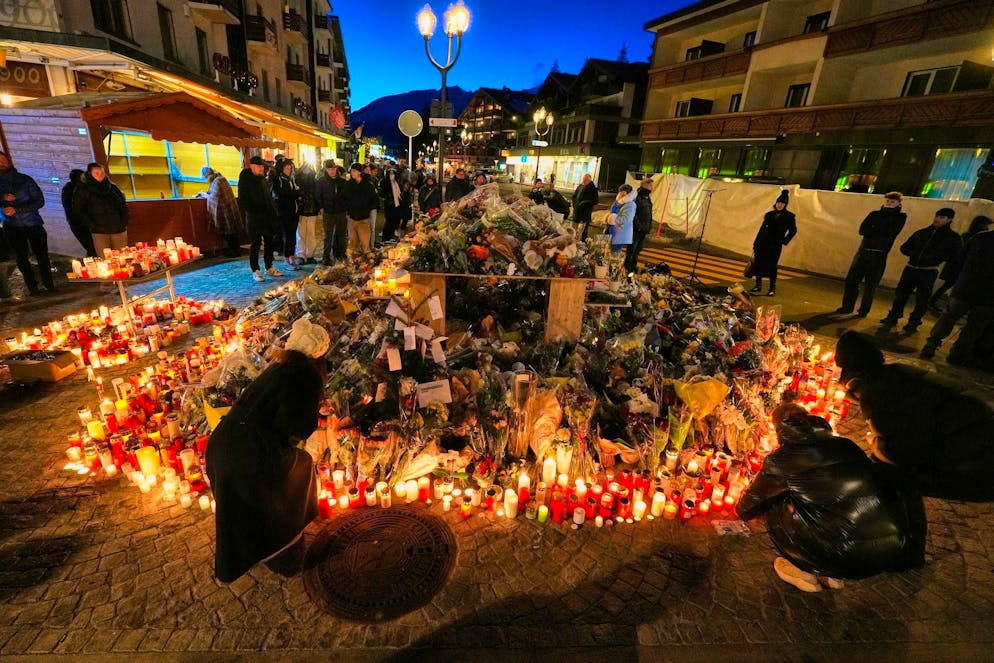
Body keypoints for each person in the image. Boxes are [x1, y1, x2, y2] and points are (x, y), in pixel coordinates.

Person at [737, 404, 926, 593]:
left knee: (774, 500)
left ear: (780, 430)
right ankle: (832, 575)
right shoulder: (846, 445)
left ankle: (802, 569)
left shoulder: (781, 460)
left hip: (839, 554)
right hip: (886, 551)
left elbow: (747, 507)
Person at [206, 317, 329, 582]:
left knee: (247, 497)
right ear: (318, 356)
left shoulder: (279, 367)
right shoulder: (306, 375)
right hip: (251, 451)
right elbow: (296, 425)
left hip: (223, 442)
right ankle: (284, 545)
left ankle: (262, 547)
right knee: (300, 467)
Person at [835, 330, 994, 501]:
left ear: (849, 374)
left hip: (977, 466)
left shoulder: (873, 394)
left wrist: (874, 442)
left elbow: (898, 453)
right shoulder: (892, 373)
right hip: (980, 432)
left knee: (881, 475)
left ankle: (891, 524)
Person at [919, 220, 994, 364]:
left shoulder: (980, 238)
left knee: (948, 318)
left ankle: (931, 345)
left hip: (965, 287)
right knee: (973, 327)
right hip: (988, 295)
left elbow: (959, 259)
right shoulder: (980, 238)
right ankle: (957, 354)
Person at [880, 208, 960, 333]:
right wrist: (913, 253)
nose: (937, 219)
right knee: (901, 295)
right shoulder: (922, 232)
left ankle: (913, 323)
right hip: (911, 268)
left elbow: (955, 255)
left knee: (922, 299)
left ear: (949, 220)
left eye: (942, 217)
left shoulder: (952, 237)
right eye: (937, 216)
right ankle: (893, 317)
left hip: (928, 270)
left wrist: (935, 258)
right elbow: (905, 247)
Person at [836, 191, 906, 317]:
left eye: (893, 202)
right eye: (888, 201)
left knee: (871, 285)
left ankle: (863, 310)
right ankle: (847, 306)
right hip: (863, 251)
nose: (889, 204)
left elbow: (892, 232)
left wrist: (874, 229)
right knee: (852, 280)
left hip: (879, 254)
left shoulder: (900, 217)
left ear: (898, 203)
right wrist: (878, 230)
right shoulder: (874, 214)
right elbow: (862, 230)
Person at [0, 151, 55, 294]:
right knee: (21, 258)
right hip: (12, 226)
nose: (2, 163)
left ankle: (49, 284)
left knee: (42, 254)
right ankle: (32, 286)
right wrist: (3, 198)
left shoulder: (25, 180)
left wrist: (17, 209)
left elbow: (39, 201)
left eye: (3, 160)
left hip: (33, 223)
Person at [928, 215, 992, 312]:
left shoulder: (970, 236)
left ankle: (934, 303)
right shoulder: (974, 237)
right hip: (959, 267)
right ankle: (936, 304)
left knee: (949, 286)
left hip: (958, 267)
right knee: (951, 288)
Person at [238, 156, 282, 282]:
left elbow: (267, 198)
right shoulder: (246, 179)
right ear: (252, 166)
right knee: (255, 244)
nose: (261, 169)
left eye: (262, 166)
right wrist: (253, 212)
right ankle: (255, 270)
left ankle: (269, 266)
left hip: (267, 217)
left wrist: (272, 213)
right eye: (259, 166)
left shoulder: (262, 180)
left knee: (269, 242)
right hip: (254, 218)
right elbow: (244, 199)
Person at [73, 162, 129, 257]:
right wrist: (92, 225)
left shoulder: (113, 188)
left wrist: (123, 222)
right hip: (99, 231)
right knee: (105, 258)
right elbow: (79, 210)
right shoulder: (83, 189)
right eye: (96, 173)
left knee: (122, 256)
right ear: (90, 174)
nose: (100, 175)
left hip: (118, 228)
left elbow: (123, 206)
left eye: (102, 173)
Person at [750, 189, 796, 297]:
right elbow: (762, 229)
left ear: (785, 205)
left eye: (782, 204)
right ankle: (758, 285)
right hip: (763, 243)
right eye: (778, 203)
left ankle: (772, 288)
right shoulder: (769, 215)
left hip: (775, 244)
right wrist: (756, 243)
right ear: (776, 203)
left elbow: (793, 230)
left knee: (772, 266)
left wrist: (785, 241)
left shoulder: (789, 216)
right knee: (758, 264)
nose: (780, 205)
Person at [202, 167, 243, 258]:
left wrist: (204, 195)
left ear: (208, 176)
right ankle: (236, 250)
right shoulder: (220, 179)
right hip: (230, 207)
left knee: (230, 233)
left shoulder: (218, 181)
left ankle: (235, 251)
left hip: (226, 210)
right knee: (233, 232)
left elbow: (214, 197)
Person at [342, 162, 379, 253]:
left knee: (365, 246)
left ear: (359, 172)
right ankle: (354, 264)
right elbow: (344, 198)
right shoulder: (348, 185)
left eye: (354, 171)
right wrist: (348, 209)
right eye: (351, 171)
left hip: (363, 219)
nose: (352, 173)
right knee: (353, 246)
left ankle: (365, 265)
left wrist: (367, 209)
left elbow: (374, 199)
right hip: (352, 219)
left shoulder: (367, 185)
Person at [270, 159, 300, 269]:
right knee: (287, 235)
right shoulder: (279, 180)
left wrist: (295, 194)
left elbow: (294, 193)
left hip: (294, 211)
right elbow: (282, 195)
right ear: (282, 169)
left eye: (290, 168)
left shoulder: (291, 179)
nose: (289, 170)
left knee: (292, 235)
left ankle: (292, 255)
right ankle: (287, 258)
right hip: (284, 212)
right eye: (287, 168)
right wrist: (295, 194)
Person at [315, 161, 347, 265]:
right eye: (330, 169)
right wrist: (322, 206)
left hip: (341, 212)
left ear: (336, 169)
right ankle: (326, 257)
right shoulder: (321, 181)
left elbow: (345, 196)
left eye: (333, 169)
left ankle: (341, 254)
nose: (332, 171)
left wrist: (344, 206)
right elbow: (318, 196)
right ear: (326, 170)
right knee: (328, 236)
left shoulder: (341, 181)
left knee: (341, 234)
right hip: (328, 212)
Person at [61, 168, 96, 257]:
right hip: (79, 224)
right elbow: (74, 208)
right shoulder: (70, 190)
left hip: (85, 222)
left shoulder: (81, 188)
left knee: (93, 247)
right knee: (92, 247)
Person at [626, 176, 654, 273]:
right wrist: (639, 226)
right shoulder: (637, 197)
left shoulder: (647, 198)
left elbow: (649, 213)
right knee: (632, 249)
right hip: (636, 229)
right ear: (644, 185)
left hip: (644, 229)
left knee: (638, 250)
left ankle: (633, 267)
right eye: (650, 185)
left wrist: (648, 226)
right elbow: (632, 213)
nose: (652, 187)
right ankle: (627, 268)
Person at [295, 162, 320, 264]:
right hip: (301, 210)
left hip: (312, 210)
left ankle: (309, 254)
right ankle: (301, 254)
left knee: (311, 234)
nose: (307, 170)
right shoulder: (298, 180)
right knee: (301, 234)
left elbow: (317, 195)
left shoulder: (314, 180)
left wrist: (318, 207)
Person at [379, 168, 408, 243]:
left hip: (397, 204)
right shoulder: (384, 182)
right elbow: (382, 193)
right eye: (390, 173)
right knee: (389, 221)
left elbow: (400, 192)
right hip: (390, 205)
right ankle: (386, 237)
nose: (392, 175)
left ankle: (391, 236)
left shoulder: (397, 182)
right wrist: (387, 198)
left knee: (396, 220)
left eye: (393, 173)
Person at [608, 184, 637, 256]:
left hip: (620, 234)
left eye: (622, 193)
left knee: (614, 255)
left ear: (627, 194)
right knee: (611, 253)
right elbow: (613, 212)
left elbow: (626, 219)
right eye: (620, 192)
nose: (620, 194)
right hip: (614, 233)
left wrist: (612, 218)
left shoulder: (630, 204)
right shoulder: (620, 202)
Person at [571, 174, 598, 241]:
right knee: (573, 229)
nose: (583, 181)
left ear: (589, 180)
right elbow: (574, 196)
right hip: (577, 212)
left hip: (585, 214)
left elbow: (595, 201)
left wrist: (585, 202)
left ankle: (581, 243)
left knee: (582, 232)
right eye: (583, 179)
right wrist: (575, 204)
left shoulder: (592, 189)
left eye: (585, 179)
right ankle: (571, 241)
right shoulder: (580, 186)